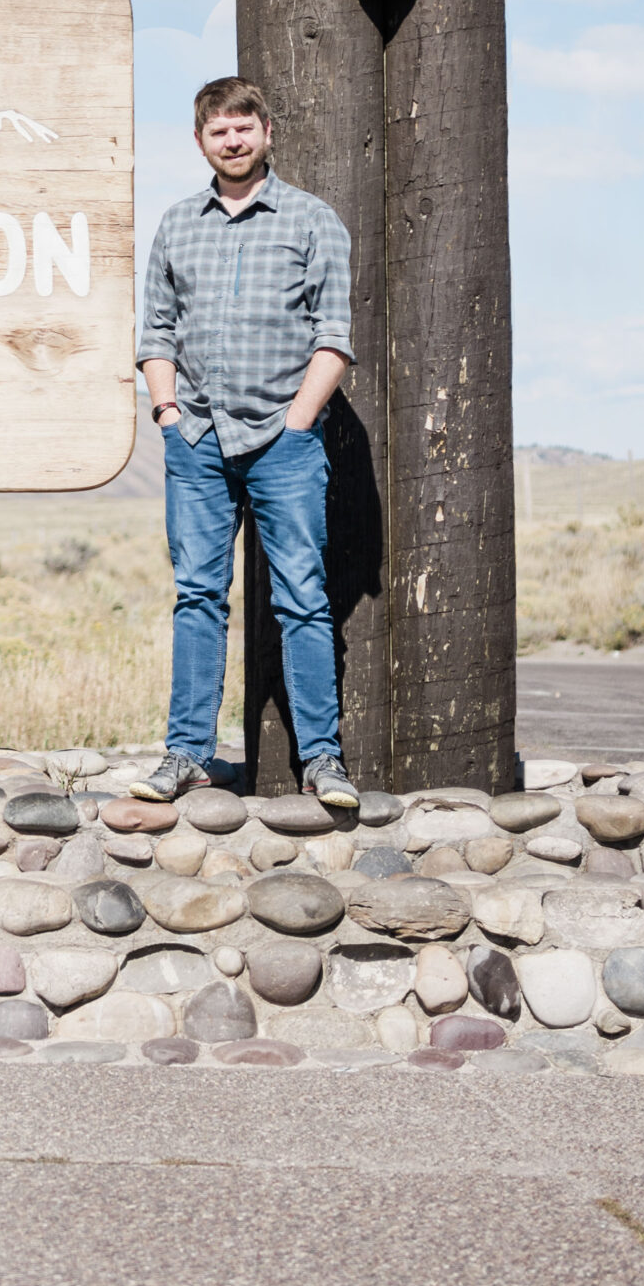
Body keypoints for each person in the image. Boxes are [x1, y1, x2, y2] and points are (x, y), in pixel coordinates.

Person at [131, 77, 359, 811]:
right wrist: (166, 412)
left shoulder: (311, 221)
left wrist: (298, 423)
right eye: (217, 131)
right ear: (200, 141)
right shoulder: (176, 225)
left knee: (303, 599)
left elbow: (334, 337)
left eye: (243, 128)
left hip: (281, 443)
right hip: (195, 436)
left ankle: (322, 761)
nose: (232, 140)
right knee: (198, 597)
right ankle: (186, 755)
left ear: (266, 131)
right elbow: (156, 331)